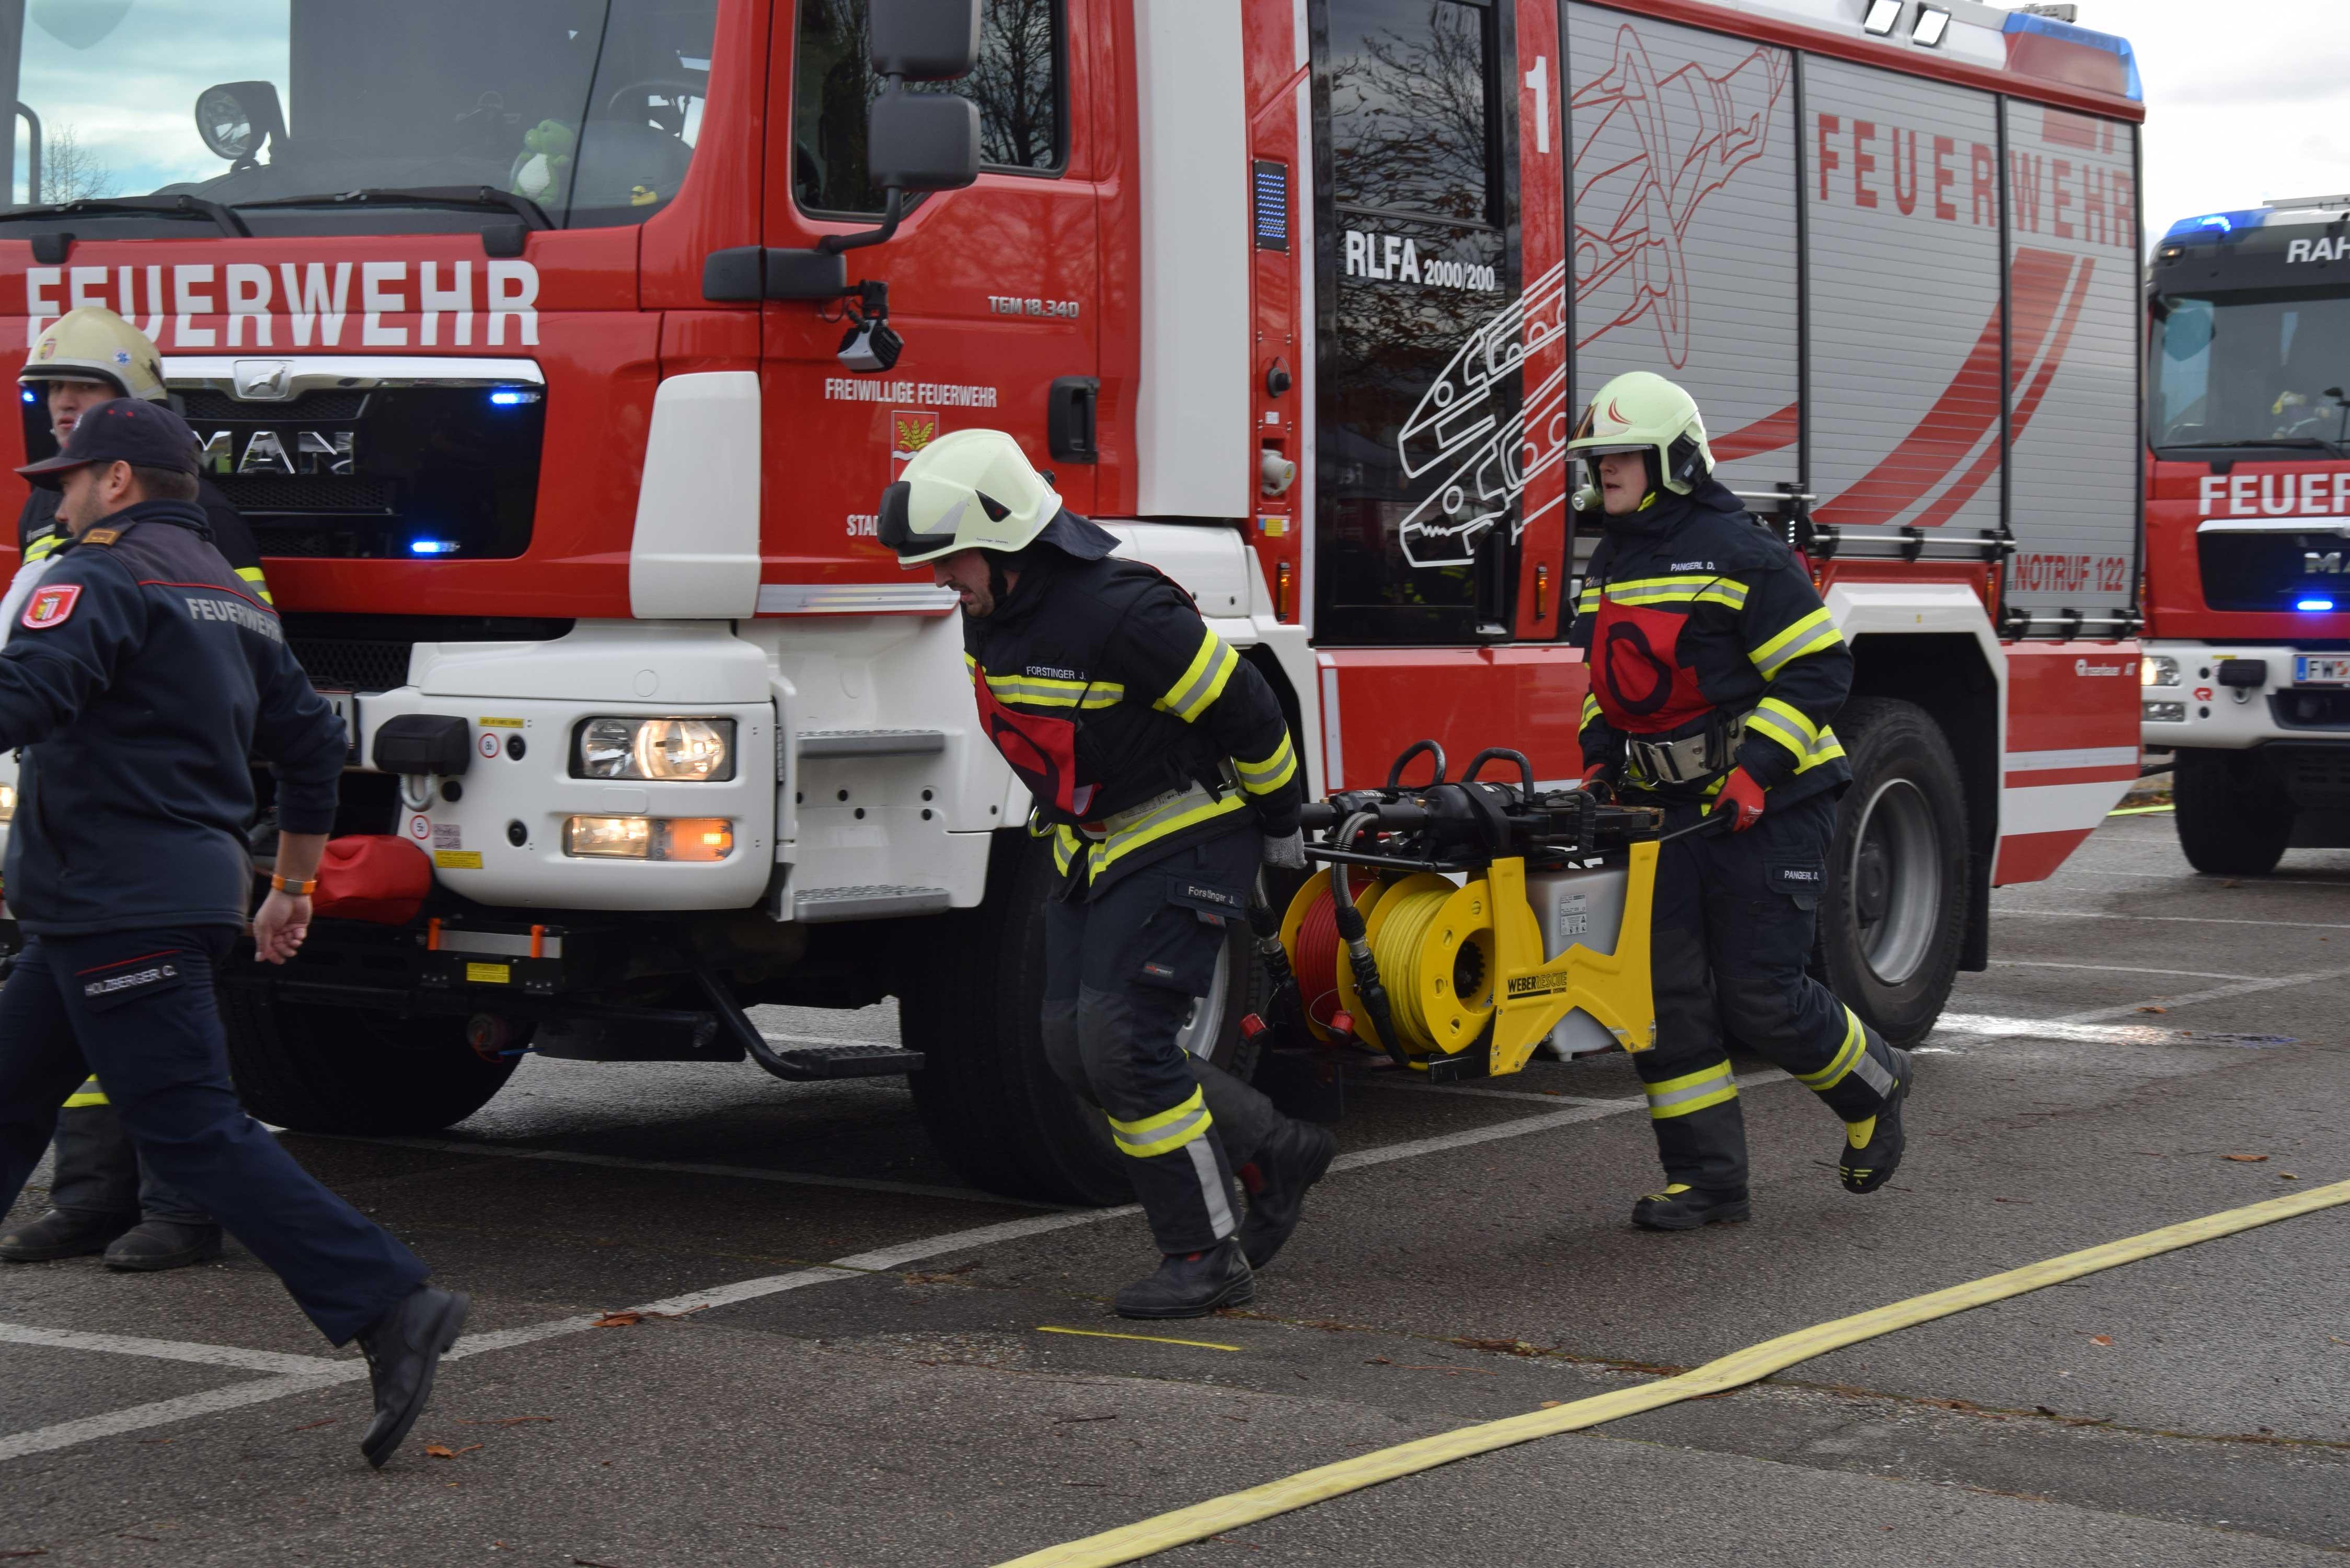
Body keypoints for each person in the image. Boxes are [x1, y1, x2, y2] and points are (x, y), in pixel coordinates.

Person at [0, 398, 463, 1468]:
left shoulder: (99, 576)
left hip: (119, 900)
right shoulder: (230, 597)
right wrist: (291, 884)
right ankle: (389, 1299)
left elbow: (27, 698)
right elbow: (311, 743)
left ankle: (392, 1300)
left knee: (193, 1132)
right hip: (146, 898)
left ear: (116, 482)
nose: (55, 501)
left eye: (65, 481)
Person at [880, 429, 1333, 1319]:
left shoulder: (1124, 610)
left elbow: (1249, 711)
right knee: (1073, 1049)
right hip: (1094, 845)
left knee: (1125, 1046)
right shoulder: (995, 613)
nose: (942, 581)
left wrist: (1281, 833)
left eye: (950, 560)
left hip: (1186, 833)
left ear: (1007, 540)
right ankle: (1274, 1147)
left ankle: (1205, 1255)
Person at [1564, 371, 1915, 1230]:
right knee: (1666, 996)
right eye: (1597, 457)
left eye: (1621, 457)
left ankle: (1876, 1083)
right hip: (1667, 810)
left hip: (1773, 800)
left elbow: (1820, 670)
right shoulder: (1610, 560)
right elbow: (1605, 683)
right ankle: (1709, 1182)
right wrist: (1599, 761)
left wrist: (1756, 770)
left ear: (1674, 461)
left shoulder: (1744, 552)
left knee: (1760, 994)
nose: (1603, 470)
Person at [0, 305, 271, 1272]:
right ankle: (86, 1200)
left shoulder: (202, 525)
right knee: (68, 1013)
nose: (66, 409)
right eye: (55, 393)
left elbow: (239, 659)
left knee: (156, 1027)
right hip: (67, 791)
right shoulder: (50, 509)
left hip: (151, 804)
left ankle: (178, 1212)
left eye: (87, 393)